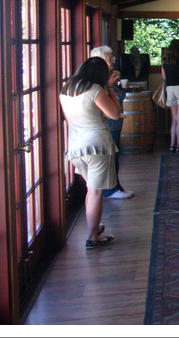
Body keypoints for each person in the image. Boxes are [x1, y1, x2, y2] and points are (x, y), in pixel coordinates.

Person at [59, 57, 122, 249]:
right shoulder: (95, 90)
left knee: (90, 190)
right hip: (96, 146)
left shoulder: (66, 90)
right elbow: (114, 114)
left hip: (76, 147)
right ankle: (93, 236)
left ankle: (93, 228)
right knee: (96, 193)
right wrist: (110, 88)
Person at [90, 46, 134, 199]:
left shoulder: (109, 77)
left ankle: (116, 186)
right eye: (109, 58)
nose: (113, 61)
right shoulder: (99, 81)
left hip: (116, 123)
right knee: (111, 157)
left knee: (115, 155)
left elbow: (120, 95)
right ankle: (111, 189)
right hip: (108, 123)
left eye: (112, 57)